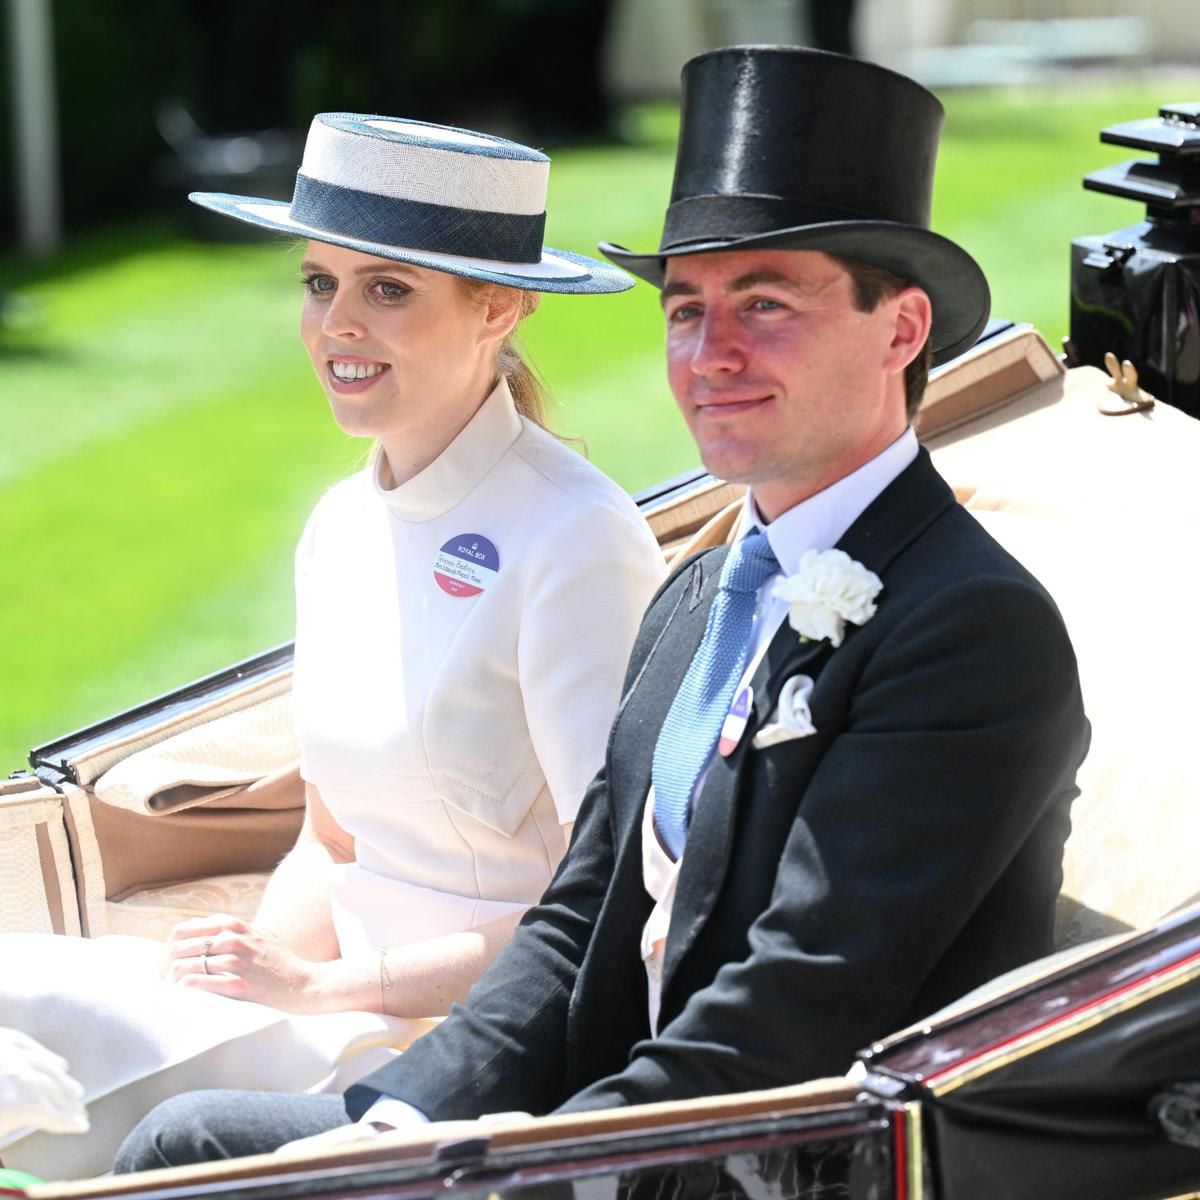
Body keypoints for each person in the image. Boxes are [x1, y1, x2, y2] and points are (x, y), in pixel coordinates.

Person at [115, 47, 1089, 1170]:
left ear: (901, 331)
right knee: (185, 1143)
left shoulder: (969, 628)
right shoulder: (697, 596)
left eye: (763, 303)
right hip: (616, 1121)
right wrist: (405, 1121)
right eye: (685, 310)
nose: (709, 355)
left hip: (795, 1165)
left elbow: (799, 1007)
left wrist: (505, 1177)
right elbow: (580, 921)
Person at [1, 113, 664, 1178]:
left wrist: (322, 992)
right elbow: (333, 841)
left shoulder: (577, 537)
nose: (337, 325)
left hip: (469, 1060)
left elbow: (608, 906)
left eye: (388, 289)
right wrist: (228, 981)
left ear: (500, 308)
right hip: (327, 1010)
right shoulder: (340, 526)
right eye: (321, 283)